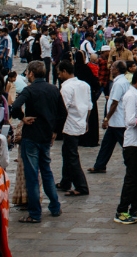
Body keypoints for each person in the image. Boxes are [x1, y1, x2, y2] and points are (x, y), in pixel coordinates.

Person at [9, 60, 66, 223]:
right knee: (46, 171)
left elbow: (14, 107)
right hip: (46, 135)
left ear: (32, 73)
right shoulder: (53, 89)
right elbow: (63, 113)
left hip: (31, 135)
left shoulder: (29, 90)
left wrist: (22, 118)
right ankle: (55, 206)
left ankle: (35, 213)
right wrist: (55, 130)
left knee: (32, 174)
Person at [114, 67, 137, 225]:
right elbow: (130, 120)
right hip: (131, 142)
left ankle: (135, 206)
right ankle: (121, 210)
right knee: (131, 178)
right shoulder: (130, 96)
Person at [56, 60, 90, 197]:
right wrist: (86, 121)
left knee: (71, 155)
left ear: (64, 71)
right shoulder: (84, 85)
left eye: (59, 73)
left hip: (70, 123)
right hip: (80, 121)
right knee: (67, 152)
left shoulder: (66, 88)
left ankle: (81, 186)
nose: (58, 76)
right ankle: (66, 181)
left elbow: (62, 108)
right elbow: (89, 106)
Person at [89, 60, 128, 174]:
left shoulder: (118, 83)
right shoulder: (122, 81)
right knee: (107, 144)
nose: (111, 69)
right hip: (116, 121)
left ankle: (133, 163)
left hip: (117, 120)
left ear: (117, 69)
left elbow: (114, 103)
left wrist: (107, 118)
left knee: (125, 145)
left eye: (113, 67)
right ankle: (100, 165)